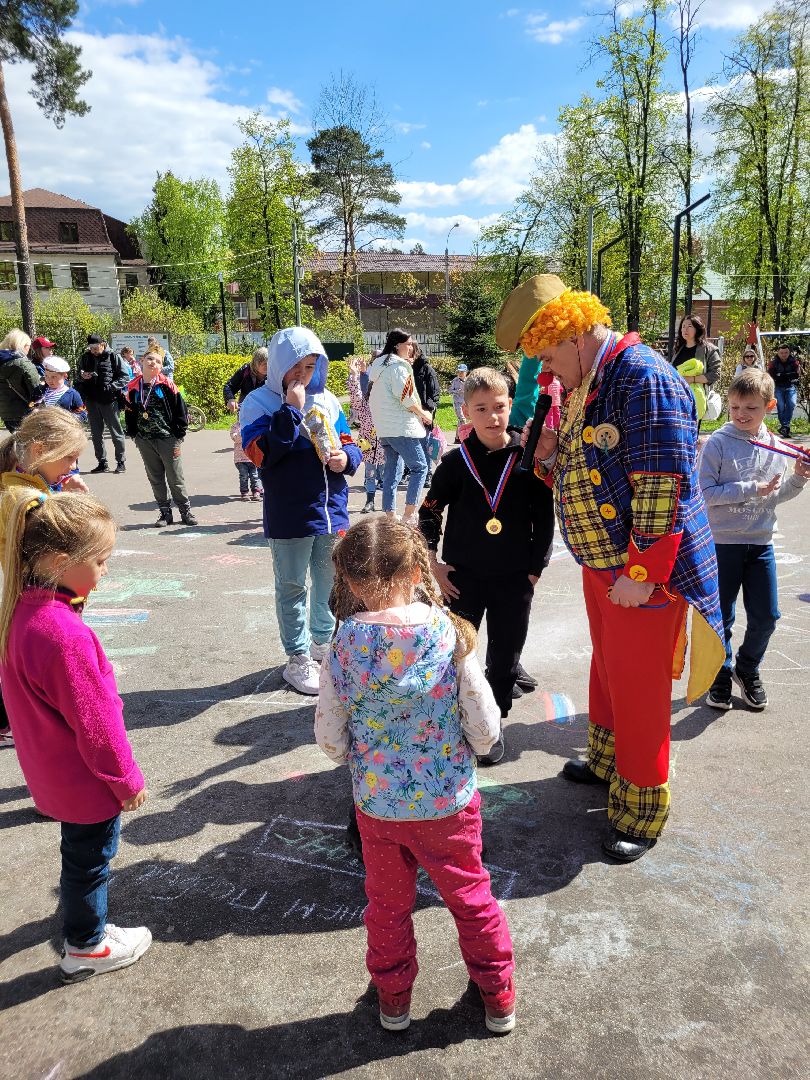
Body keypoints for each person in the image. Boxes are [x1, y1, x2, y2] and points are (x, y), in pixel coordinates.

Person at [496, 274, 724, 862]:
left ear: (572, 334)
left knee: (641, 686)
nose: (547, 373)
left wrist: (642, 572)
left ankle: (642, 807)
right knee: (609, 669)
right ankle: (607, 761)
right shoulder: (588, 379)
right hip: (604, 564)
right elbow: (583, 466)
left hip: (639, 571)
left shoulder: (643, 377)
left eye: (548, 357)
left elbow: (661, 485)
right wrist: (545, 459)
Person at [315, 517, 515, 1035]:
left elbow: (331, 737)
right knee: (471, 899)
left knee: (386, 907)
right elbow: (484, 721)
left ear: (352, 581)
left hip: (379, 808)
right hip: (447, 802)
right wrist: (479, 748)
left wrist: (357, 758)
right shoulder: (446, 634)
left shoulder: (344, 644)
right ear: (417, 569)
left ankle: (394, 1000)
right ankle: (498, 997)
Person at [0, 487, 151, 982]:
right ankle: (86, 945)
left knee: (77, 855)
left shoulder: (20, 611)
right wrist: (126, 781)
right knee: (89, 862)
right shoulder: (63, 634)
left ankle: (85, 933)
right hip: (86, 782)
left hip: (49, 773)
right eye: (102, 562)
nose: (105, 572)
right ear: (62, 561)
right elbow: (98, 726)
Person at [419, 367, 555, 765]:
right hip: (463, 579)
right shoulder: (457, 462)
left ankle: (493, 727)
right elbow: (430, 511)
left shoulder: (527, 457)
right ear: (466, 411)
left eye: (499, 407)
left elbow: (544, 517)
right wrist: (434, 565)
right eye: (482, 409)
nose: (493, 417)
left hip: (515, 578)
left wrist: (535, 568)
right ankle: (456, 721)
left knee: (505, 656)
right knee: (458, 654)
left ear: (510, 405)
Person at [240, 326, 362, 695]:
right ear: (277, 366)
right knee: (292, 586)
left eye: (310, 366)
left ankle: (322, 647)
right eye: (295, 366)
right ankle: (297, 657)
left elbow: (349, 441)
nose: (302, 375)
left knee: (329, 583)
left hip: (331, 510)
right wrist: (290, 410)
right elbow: (262, 453)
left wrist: (348, 457)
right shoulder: (258, 403)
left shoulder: (327, 400)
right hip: (290, 512)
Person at [699, 368, 809, 711]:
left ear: (770, 406)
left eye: (751, 408)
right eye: (734, 407)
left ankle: (746, 669)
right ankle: (720, 673)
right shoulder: (718, 442)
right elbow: (704, 494)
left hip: (761, 542)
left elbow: (775, 496)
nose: (741, 415)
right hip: (723, 544)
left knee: (767, 616)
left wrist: (799, 479)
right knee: (723, 616)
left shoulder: (775, 446)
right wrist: (750, 489)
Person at [0, 409, 89, 747]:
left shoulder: (14, 484)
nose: (72, 467)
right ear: (39, 451)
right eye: (69, 458)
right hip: (46, 608)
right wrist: (77, 502)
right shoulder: (32, 503)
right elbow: (80, 551)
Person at [123, 352, 198, 528]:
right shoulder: (133, 387)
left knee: (175, 477)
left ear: (161, 366)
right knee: (155, 477)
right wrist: (134, 434)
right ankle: (165, 513)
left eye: (158, 361)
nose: (153, 363)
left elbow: (181, 410)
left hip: (168, 439)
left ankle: (185, 511)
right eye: (150, 359)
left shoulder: (168, 385)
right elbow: (129, 412)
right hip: (145, 439)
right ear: (142, 361)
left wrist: (179, 434)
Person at [367, 328, 432, 526]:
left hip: (385, 428)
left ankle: (390, 517)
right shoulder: (399, 367)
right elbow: (407, 399)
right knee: (420, 467)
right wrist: (424, 414)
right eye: (409, 344)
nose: (411, 347)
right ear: (397, 346)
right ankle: (409, 515)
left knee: (392, 471)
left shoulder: (378, 365)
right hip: (402, 427)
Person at [77, 334, 128, 475]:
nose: (93, 350)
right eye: (91, 348)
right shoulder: (85, 357)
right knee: (96, 433)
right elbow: (78, 374)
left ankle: (121, 462)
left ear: (103, 344)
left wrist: (112, 386)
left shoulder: (113, 356)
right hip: (91, 400)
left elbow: (125, 377)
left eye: (95, 347)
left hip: (109, 400)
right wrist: (82, 376)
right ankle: (102, 462)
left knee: (116, 432)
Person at [347, 356, 384, 513]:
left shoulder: (386, 406)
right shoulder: (363, 406)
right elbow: (355, 394)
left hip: (385, 447)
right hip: (368, 446)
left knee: (387, 475)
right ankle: (370, 501)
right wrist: (354, 374)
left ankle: (389, 503)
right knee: (369, 474)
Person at [0, 329, 43, 434]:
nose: (29, 349)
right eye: (28, 346)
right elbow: (37, 392)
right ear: (22, 345)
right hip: (27, 413)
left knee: (18, 444)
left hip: (6, 414)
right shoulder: (24, 363)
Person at [411, 343, 441, 486]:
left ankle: (427, 473)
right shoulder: (404, 369)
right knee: (410, 445)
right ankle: (411, 471)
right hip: (408, 413)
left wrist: (427, 411)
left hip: (423, 413)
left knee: (424, 444)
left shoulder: (427, 369)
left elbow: (434, 395)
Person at [768, 342, 801, 437]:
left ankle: (784, 426)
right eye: (782, 353)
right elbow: (771, 376)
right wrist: (787, 375)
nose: (784, 354)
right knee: (781, 407)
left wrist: (782, 375)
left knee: (792, 403)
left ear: (789, 352)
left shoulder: (794, 361)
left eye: (786, 352)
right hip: (778, 387)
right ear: (778, 353)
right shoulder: (773, 363)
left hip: (790, 386)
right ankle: (785, 427)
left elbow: (796, 374)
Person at [230, 408, 262, 502]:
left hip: (252, 457)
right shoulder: (236, 427)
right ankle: (244, 492)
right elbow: (235, 438)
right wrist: (243, 433)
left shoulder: (252, 424)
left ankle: (256, 491)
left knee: (255, 476)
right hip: (240, 459)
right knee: (243, 476)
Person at [224, 348, 268, 413]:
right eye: (264, 364)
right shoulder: (245, 371)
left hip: (266, 411)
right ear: (256, 363)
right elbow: (229, 386)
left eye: (269, 362)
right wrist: (230, 399)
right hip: (245, 410)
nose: (268, 366)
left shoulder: (274, 372)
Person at [449, 363, 468, 442]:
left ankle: (457, 438)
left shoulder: (468, 381)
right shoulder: (455, 381)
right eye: (459, 372)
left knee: (460, 421)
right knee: (462, 419)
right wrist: (457, 391)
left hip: (465, 403)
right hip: (457, 403)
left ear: (466, 372)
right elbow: (449, 391)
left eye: (462, 372)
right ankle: (464, 438)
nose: (460, 374)